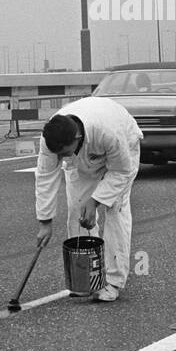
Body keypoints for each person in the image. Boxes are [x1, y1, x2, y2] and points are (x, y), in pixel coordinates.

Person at [35, 96, 143, 302]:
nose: (63, 158)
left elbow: (121, 171)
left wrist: (95, 202)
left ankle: (113, 281)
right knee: (78, 211)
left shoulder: (108, 132)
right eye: (59, 155)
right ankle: (84, 279)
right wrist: (45, 222)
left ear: (76, 137)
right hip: (85, 156)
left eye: (65, 153)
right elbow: (45, 177)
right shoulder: (51, 140)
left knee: (116, 210)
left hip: (124, 149)